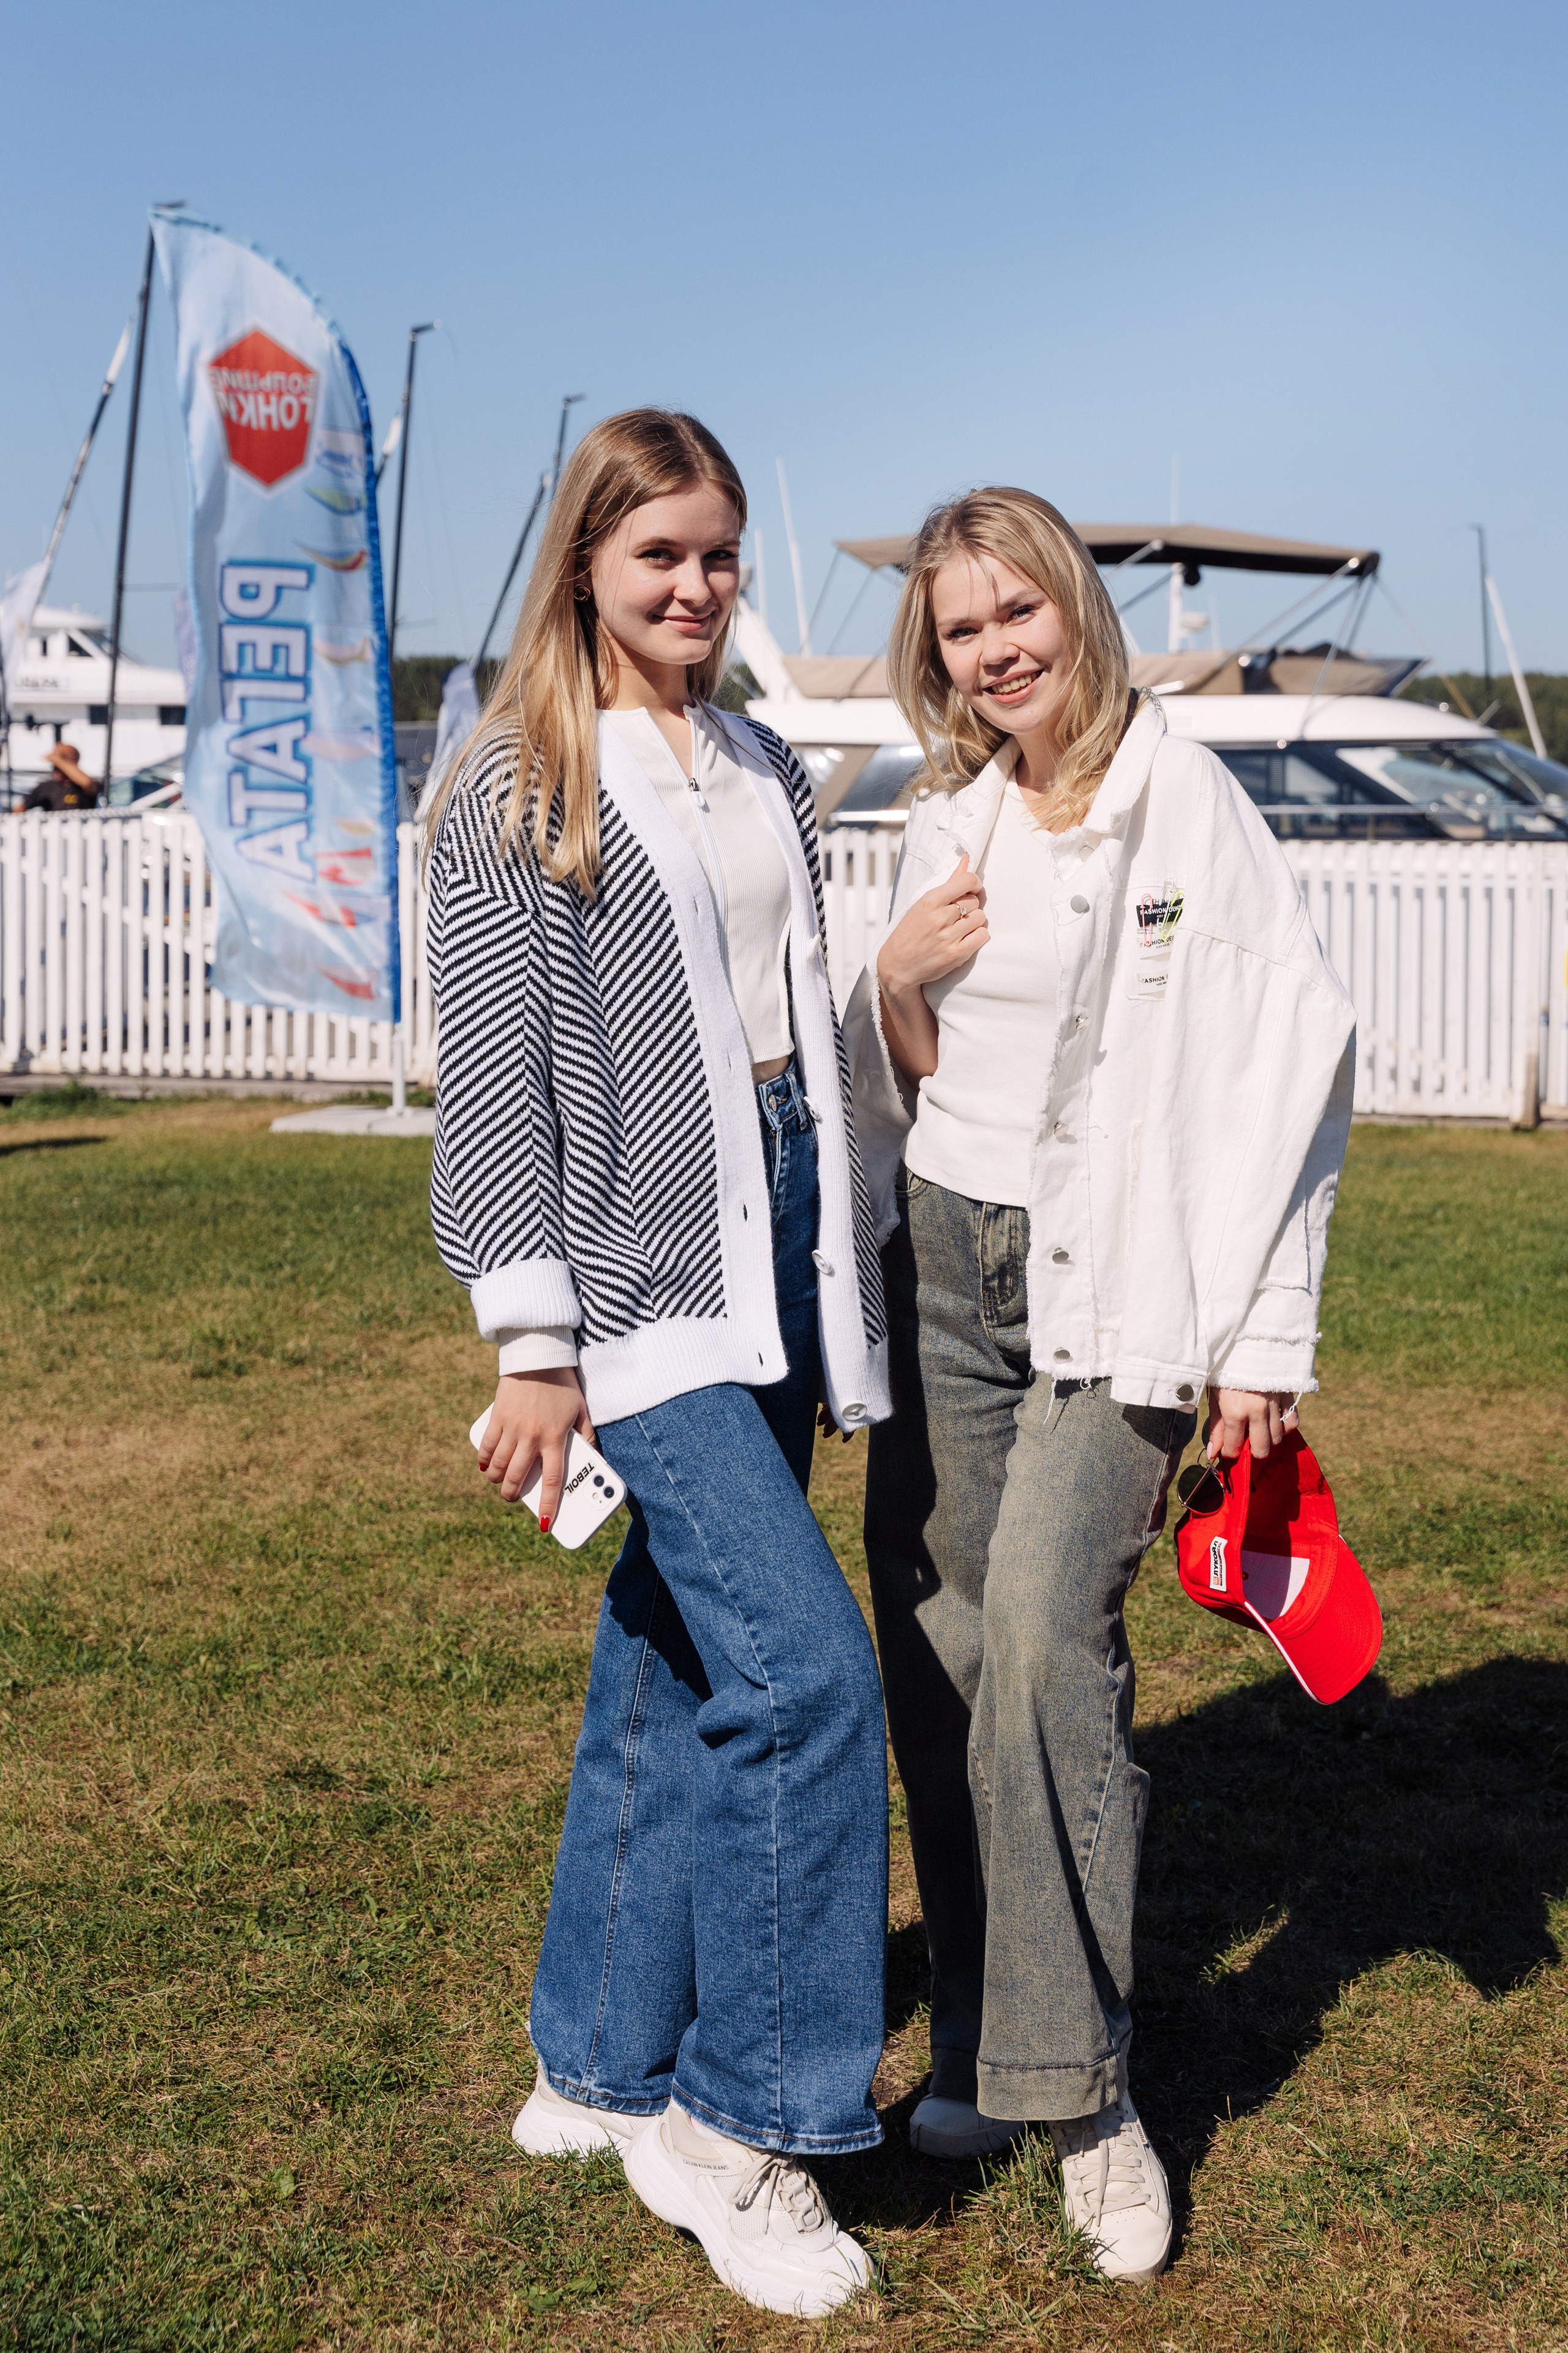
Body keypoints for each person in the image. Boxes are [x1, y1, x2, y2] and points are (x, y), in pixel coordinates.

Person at [847, 488, 1354, 2283]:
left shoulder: (1180, 798)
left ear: (1072, 605)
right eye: (959, 626)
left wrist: (1264, 1340)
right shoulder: (946, 818)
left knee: (1049, 1647)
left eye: (1017, 610)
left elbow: (1297, 1055)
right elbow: (915, 1077)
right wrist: (890, 992)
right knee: (947, 1653)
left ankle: (1090, 2091)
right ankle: (988, 2044)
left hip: (1118, 1283)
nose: (993, 648)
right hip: (946, 1267)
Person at [424, 410, 891, 2319]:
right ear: (585, 567)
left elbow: (780, 1007)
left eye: (718, 553)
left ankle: (598, 2061)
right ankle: (746, 2123)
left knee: (669, 1655)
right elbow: (496, 1094)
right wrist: (536, 1345)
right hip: (636, 1283)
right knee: (806, 1676)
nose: (696, 587)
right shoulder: (509, 784)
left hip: (778, 1232)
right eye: (659, 557)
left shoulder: (762, 757)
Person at [22, 742, 99, 810]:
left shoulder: (82, 787)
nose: (56, 770)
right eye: (55, 766)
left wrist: (58, 760)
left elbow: (87, 784)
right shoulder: (46, 787)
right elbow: (18, 810)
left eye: (59, 767)